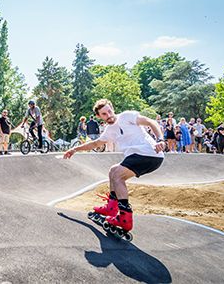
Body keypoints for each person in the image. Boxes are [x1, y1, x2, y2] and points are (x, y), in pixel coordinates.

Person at [63, 99, 166, 237]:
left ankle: (125, 218)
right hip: (138, 156)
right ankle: (111, 208)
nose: (109, 115)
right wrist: (74, 149)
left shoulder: (127, 116)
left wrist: (160, 139)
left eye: (109, 111)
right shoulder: (109, 130)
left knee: (117, 175)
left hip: (149, 153)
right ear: (99, 116)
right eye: (104, 114)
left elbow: (150, 122)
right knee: (113, 170)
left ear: (112, 108)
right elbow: (95, 144)